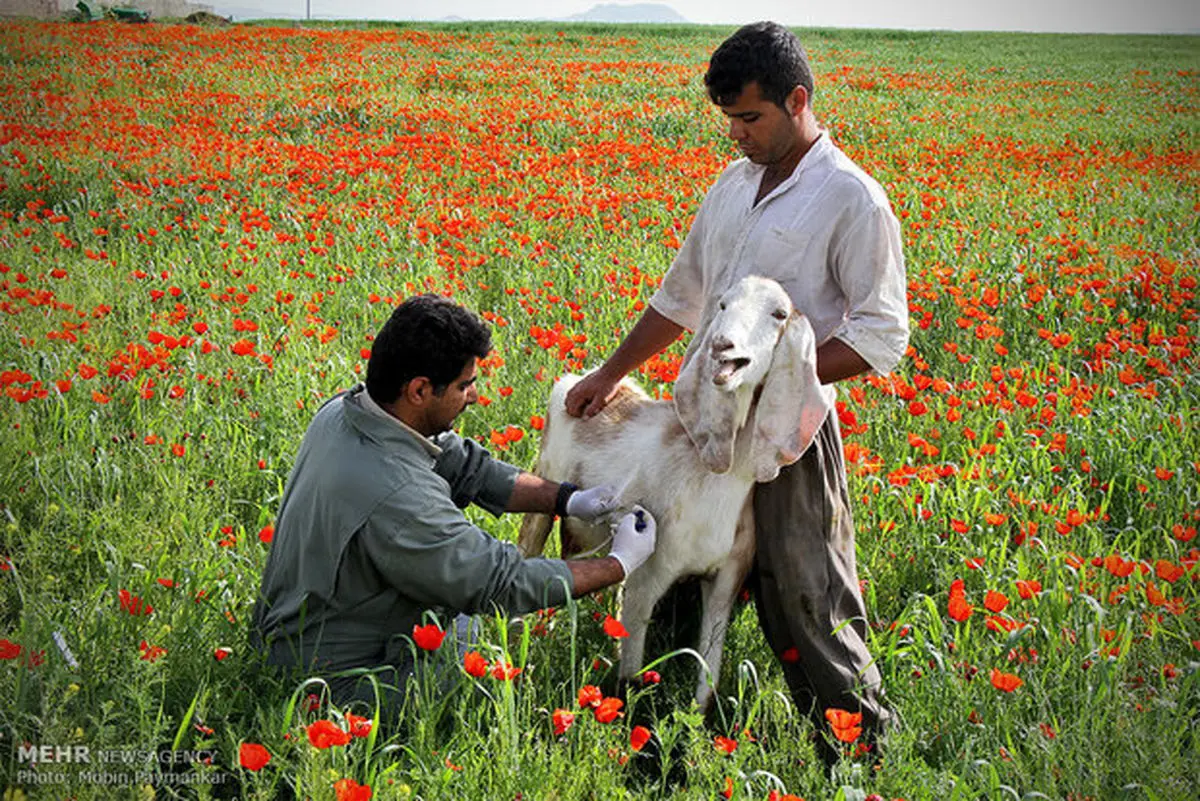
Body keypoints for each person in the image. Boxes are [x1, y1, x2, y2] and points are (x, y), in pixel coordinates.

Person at [565, 21, 908, 765]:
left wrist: (774, 380)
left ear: (798, 100)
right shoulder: (733, 184)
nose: (737, 134)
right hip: (698, 418)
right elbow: (682, 296)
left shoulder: (853, 199)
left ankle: (860, 750)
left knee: (804, 588)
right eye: (729, 119)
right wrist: (611, 372)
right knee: (666, 560)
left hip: (786, 432)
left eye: (750, 117)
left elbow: (883, 334)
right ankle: (659, 730)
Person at [252, 294, 657, 720]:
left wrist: (567, 498)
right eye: (464, 385)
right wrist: (619, 564)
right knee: (472, 640)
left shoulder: (345, 412)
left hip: (294, 633)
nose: (475, 396)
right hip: (333, 686)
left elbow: (464, 465)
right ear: (419, 390)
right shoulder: (399, 494)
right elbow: (500, 582)